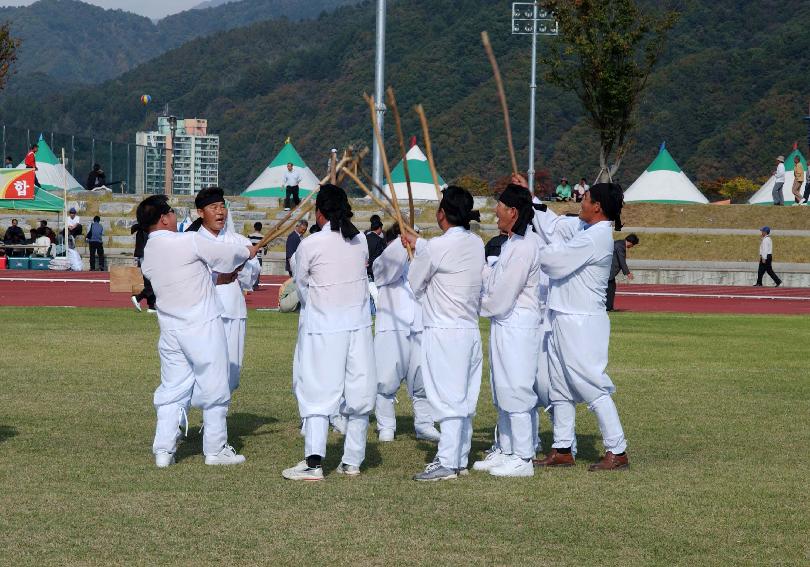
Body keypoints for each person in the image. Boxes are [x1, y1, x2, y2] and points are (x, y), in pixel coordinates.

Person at [138, 194, 258, 468]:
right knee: (215, 383)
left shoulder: (149, 254)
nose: (174, 218)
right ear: (163, 218)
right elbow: (224, 255)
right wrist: (246, 252)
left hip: (170, 328)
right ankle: (215, 450)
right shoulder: (187, 241)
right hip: (202, 324)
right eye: (170, 214)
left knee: (172, 388)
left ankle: (164, 450)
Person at [531, 180, 631, 471]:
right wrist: (531, 197)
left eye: (585, 199)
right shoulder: (586, 229)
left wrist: (533, 249)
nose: (581, 204)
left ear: (597, 207)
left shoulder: (594, 238)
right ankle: (562, 448)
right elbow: (555, 225)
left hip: (582, 320)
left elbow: (555, 262)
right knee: (559, 384)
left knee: (590, 383)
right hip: (564, 315)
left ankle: (618, 448)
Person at [282, 184, 376, 481]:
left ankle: (313, 463)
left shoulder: (310, 245)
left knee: (317, 392)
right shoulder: (359, 240)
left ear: (318, 213)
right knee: (360, 391)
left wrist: (319, 307)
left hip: (325, 328)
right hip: (358, 327)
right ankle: (352, 461)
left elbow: (302, 283)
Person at [401, 186, 485, 481]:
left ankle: (448, 461)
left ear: (441, 214)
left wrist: (415, 249)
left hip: (444, 331)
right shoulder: (476, 243)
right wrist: (419, 244)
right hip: (469, 331)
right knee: (464, 397)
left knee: (448, 398)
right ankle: (459, 456)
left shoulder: (436, 247)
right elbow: (443, 253)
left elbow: (414, 283)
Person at [473, 184, 542, 478]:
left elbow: (504, 294)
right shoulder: (511, 244)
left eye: (499, 206)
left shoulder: (525, 247)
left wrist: (479, 305)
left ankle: (524, 456)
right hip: (505, 323)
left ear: (513, 212)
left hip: (518, 324)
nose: (495, 212)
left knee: (516, 387)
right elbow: (494, 280)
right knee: (501, 387)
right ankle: (507, 448)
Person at [189, 187, 261, 394]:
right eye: (214, 207)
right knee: (204, 367)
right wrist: (218, 277)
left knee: (230, 371)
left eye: (222, 206)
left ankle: (216, 419)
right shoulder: (191, 241)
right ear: (201, 213)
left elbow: (250, 281)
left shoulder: (239, 242)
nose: (220, 212)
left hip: (232, 310)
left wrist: (245, 263)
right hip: (202, 312)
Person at [373, 224, 440, 443]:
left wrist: (415, 246)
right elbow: (387, 268)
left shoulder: (418, 262)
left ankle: (424, 423)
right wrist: (403, 244)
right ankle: (386, 425)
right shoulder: (383, 263)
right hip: (392, 327)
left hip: (420, 326)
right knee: (386, 379)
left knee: (422, 378)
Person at [606, 234, 639, 311]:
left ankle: (609, 307)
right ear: (630, 242)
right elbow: (622, 261)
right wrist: (628, 273)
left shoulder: (618, 243)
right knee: (610, 290)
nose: (632, 246)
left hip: (608, 270)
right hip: (609, 271)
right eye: (633, 245)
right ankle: (608, 307)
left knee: (611, 288)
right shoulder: (621, 246)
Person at [131, 223, 157, 313]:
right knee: (153, 283)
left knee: (148, 282)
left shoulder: (141, 230)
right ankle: (138, 298)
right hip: (147, 257)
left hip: (143, 257)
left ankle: (151, 306)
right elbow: (148, 245)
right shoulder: (145, 230)